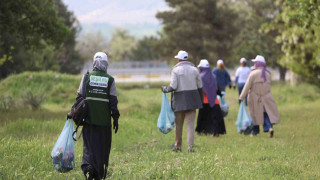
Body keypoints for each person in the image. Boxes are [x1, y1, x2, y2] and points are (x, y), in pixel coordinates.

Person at [77, 52, 120, 179]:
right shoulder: (110, 80)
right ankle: (98, 172)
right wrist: (115, 118)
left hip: (88, 120)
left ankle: (88, 166)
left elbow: (79, 97)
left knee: (88, 146)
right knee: (102, 148)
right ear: (106, 64)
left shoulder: (86, 77)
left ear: (94, 63)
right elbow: (113, 102)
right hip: (104, 122)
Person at [161, 50, 203, 152]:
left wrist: (165, 89)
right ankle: (190, 147)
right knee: (190, 125)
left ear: (179, 59)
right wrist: (200, 100)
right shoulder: (195, 70)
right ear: (187, 59)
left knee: (178, 125)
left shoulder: (175, 70)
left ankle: (178, 146)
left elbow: (173, 86)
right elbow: (200, 86)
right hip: (192, 101)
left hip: (179, 101)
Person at [239, 55, 280, 138]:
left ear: (257, 63)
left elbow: (247, 86)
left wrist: (241, 97)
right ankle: (269, 128)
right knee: (265, 114)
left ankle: (255, 132)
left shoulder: (253, 74)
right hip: (266, 97)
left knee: (254, 115)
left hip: (254, 98)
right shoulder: (268, 74)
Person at [195, 59, 226, 137]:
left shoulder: (201, 76)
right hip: (214, 101)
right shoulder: (213, 76)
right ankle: (216, 132)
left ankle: (202, 131)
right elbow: (217, 88)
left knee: (203, 118)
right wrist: (220, 94)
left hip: (204, 100)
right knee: (215, 118)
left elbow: (199, 88)